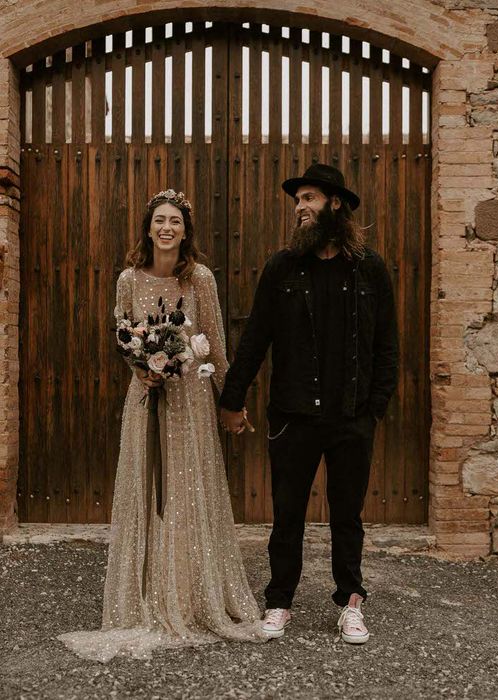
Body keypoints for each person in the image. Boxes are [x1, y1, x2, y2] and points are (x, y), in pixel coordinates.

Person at [58, 190, 265, 662]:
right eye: (160, 221)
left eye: (175, 221)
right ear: (148, 228)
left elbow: (213, 340)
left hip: (189, 399)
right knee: (147, 489)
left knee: (189, 488)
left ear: (186, 231)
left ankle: (193, 593)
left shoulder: (202, 280)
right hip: (146, 395)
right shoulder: (129, 278)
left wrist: (231, 402)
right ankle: (145, 595)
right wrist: (141, 367)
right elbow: (122, 331)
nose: (167, 228)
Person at [219, 164, 398, 644]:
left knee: (347, 516)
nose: (300, 207)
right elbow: (255, 338)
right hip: (294, 417)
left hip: (351, 418)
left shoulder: (370, 268)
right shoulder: (283, 268)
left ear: (335, 204)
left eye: (310, 198)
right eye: (298, 199)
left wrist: (373, 409)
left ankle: (351, 602)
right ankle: (279, 602)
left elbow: (387, 347)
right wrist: (231, 400)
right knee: (287, 515)